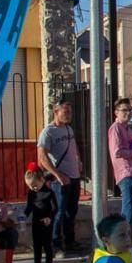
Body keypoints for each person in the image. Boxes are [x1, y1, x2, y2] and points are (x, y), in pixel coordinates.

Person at [37, 101, 84, 253]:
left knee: (72, 211)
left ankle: (70, 241)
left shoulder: (68, 129)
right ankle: (55, 244)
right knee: (59, 212)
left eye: (70, 112)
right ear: (56, 112)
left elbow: (74, 145)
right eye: (65, 112)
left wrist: (78, 160)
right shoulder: (48, 132)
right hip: (60, 179)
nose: (69, 115)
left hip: (74, 176)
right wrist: (58, 175)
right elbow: (42, 157)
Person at [108, 98, 132, 225]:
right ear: (116, 112)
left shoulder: (127, 129)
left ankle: (125, 237)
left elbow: (131, 147)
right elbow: (117, 152)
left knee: (131, 209)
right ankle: (122, 238)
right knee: (128, 209)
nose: (128, 113)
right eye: (124, 110)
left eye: (130, 110)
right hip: (125, 172)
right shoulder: (115, 128)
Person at [24, 166, 57, 263]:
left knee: (47, 247)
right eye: (29, 185)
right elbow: (29, 207)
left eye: (34, 185)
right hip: (36, 222)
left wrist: (49, 217)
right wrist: (24, 215)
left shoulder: (49, 192)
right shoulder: (31, 193)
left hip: (46, 223)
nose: (32, 187)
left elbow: (54, 208)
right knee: (37, 247)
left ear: (42, 180)